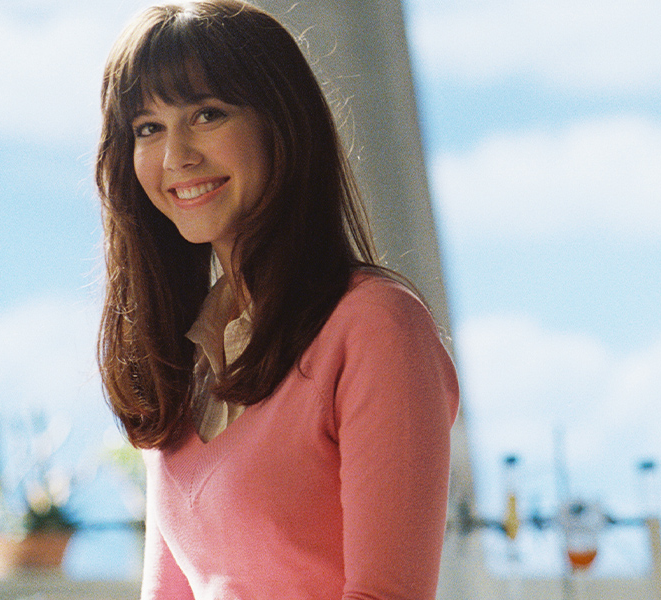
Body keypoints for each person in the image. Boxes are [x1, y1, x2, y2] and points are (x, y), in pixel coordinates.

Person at [94, 1, 459, 598]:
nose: (174, 156)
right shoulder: (186, 356)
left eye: (207, 114)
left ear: (281, 125)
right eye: (147, 128)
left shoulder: (375, 326)